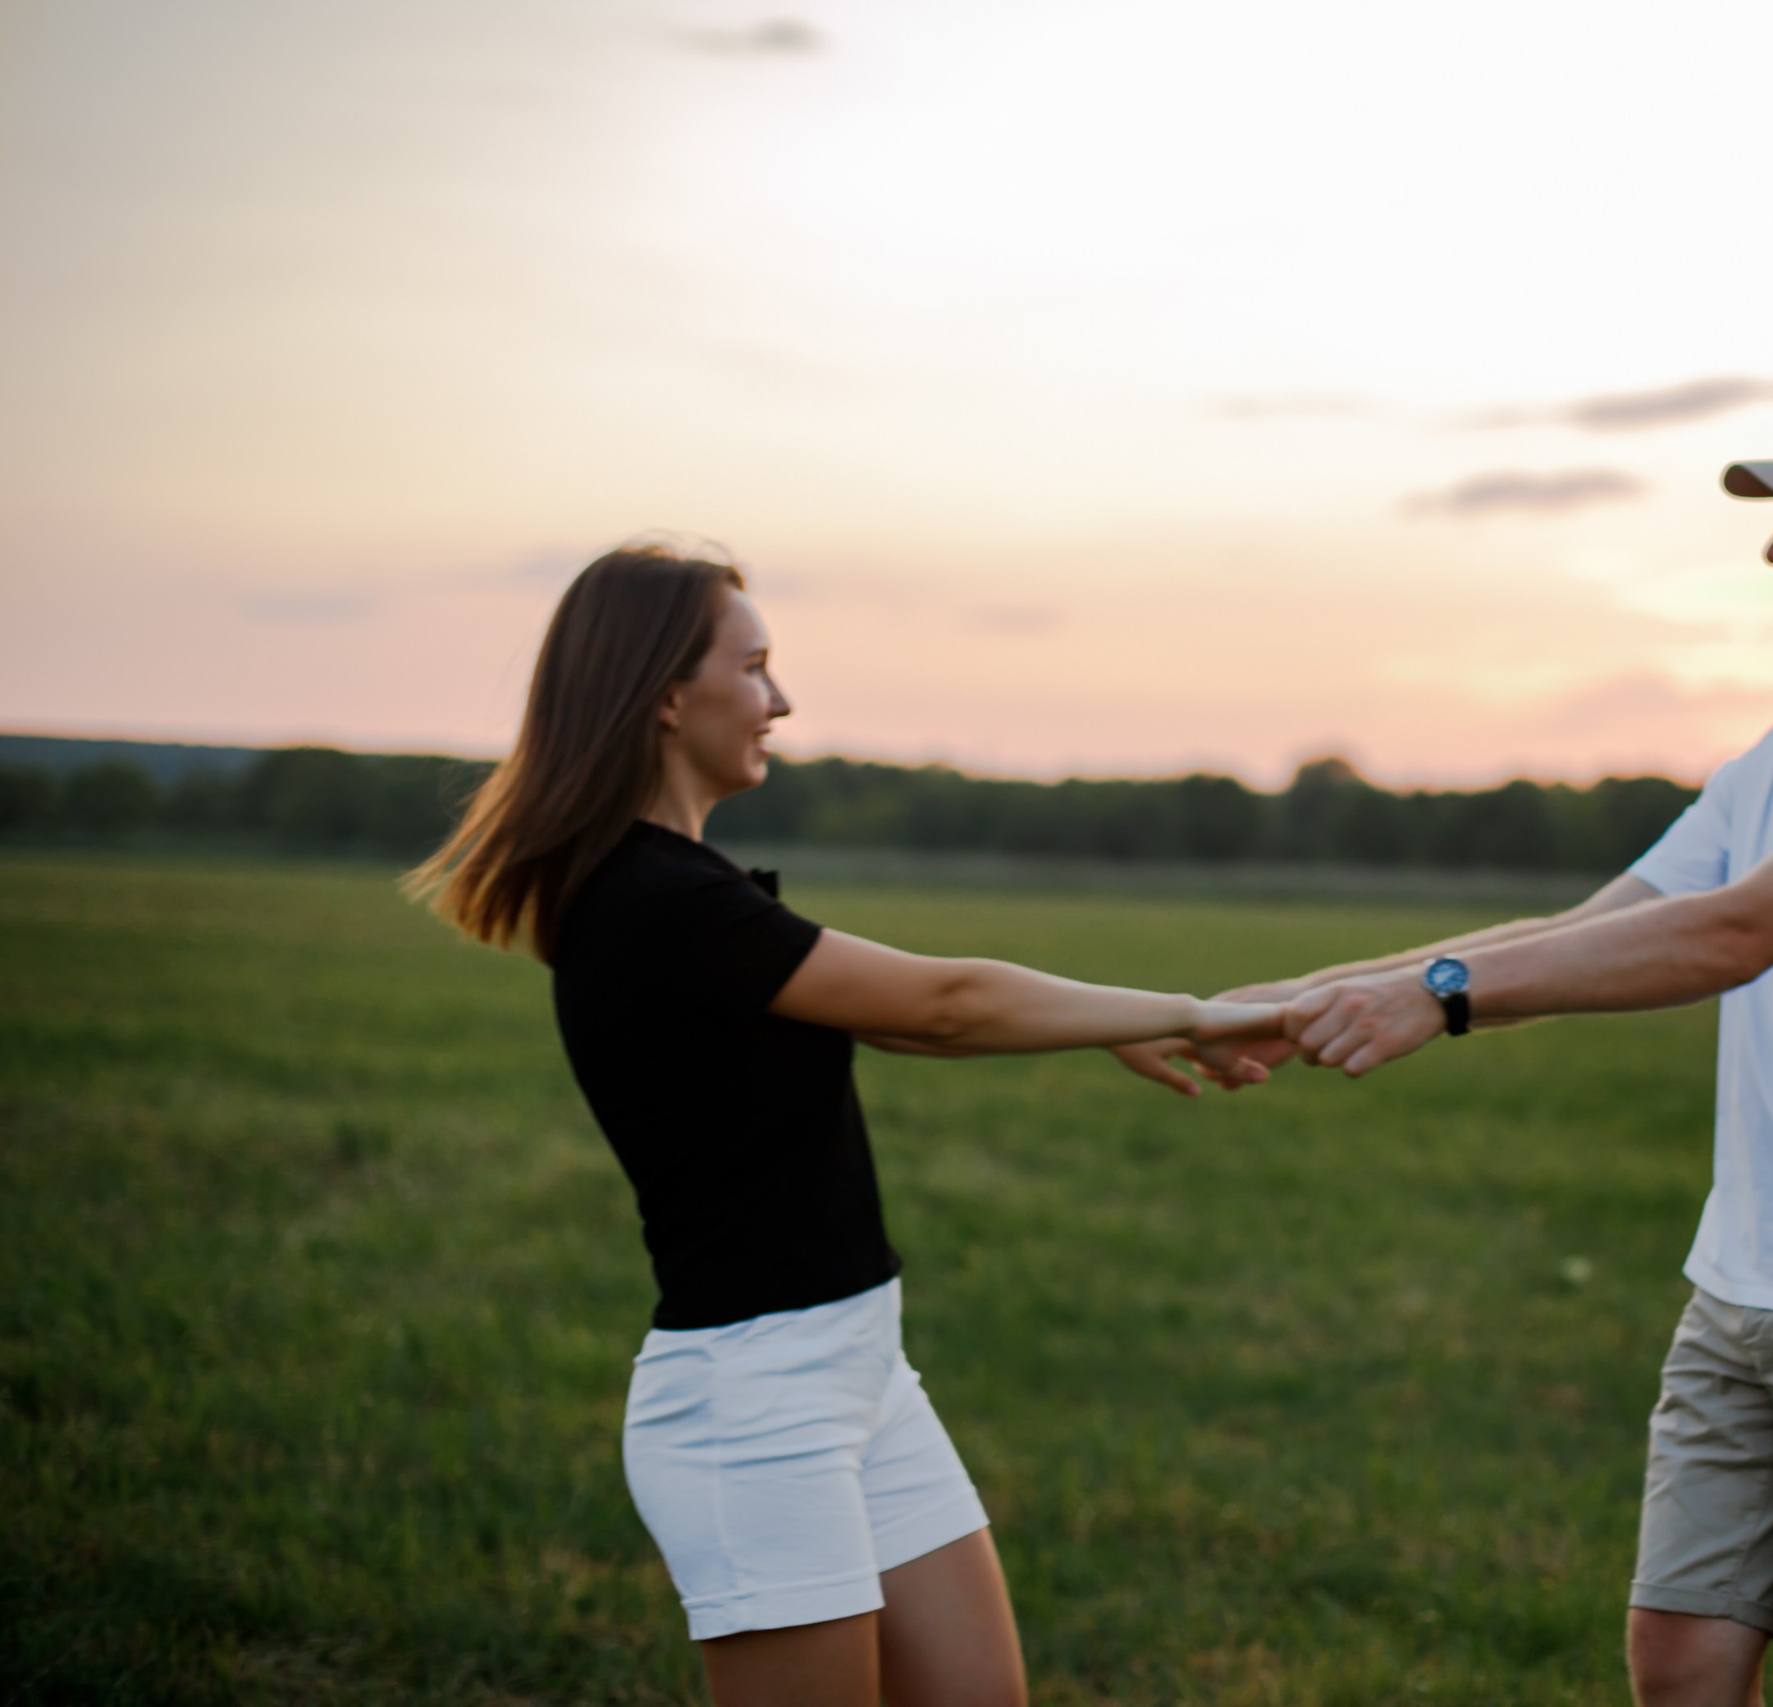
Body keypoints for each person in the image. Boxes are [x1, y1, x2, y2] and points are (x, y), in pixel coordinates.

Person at [1208, 401, 1773, 1706]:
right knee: (1678, 1652)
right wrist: (1304, 995)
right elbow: (1592, 930)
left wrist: (1435, 995)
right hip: (1741, 1277)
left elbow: (1734, 932)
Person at [408, 544, 1281, 1707]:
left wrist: (1093, 1022)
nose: (780, 701)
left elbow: (909, 1022)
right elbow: (942, 1002)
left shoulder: (680, 889)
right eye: (756, 667)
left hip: (857, 1372)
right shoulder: (654, 900)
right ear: (669, 696)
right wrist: (1187, 1010)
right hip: (751, 1403)